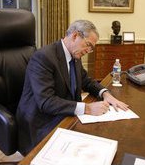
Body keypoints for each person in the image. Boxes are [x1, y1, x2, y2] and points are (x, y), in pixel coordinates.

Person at [16, 20, 129, 155]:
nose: (89, 51)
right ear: (75, 35)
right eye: (88, 45)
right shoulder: (43, 57)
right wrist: (87, 108)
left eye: (92, 48)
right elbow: (46, 102)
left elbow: (86, 81)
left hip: (62, 113)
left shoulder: (74, 55)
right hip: (40, 120)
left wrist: (106, 94)